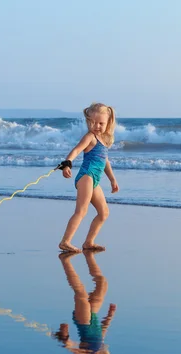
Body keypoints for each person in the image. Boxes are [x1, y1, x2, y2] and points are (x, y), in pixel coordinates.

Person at [57, 103, 119, 253]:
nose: (96, 126)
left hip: (95, 180)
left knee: (104, 213)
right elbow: (76, 150)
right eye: (92, 122)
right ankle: (65, 242)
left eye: (101, 123)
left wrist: (112, 179)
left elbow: (105, 162)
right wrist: (67, 164)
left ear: (108, 123)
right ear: (88, 121)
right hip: (86, 176)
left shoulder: (104, 140)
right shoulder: (90, 137)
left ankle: (89, 242)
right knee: (81, 211)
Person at [53, 250, 117, 354]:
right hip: (93, 317)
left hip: (83, 321)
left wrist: (64, 335)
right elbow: (101, 334)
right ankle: (89, 255)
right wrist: (109, 316)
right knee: (102, 283)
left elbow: (70, 347)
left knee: (81, 293)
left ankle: (65, 261)